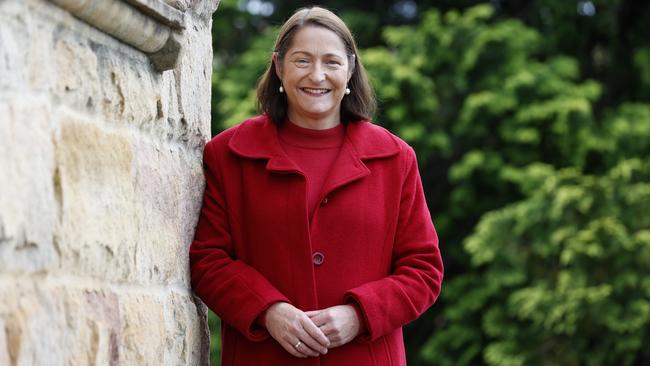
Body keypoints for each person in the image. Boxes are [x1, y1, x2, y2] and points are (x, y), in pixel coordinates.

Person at [189, 6, 443, 365]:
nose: (318, 75)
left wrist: (359, 315)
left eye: (332, 62)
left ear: (351, 69)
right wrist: (269, 310)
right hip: (263, 356)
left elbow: (424, 271)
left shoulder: (395, 158)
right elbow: (208, 260)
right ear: (279, 66)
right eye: (302, 60)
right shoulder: (228, 155)